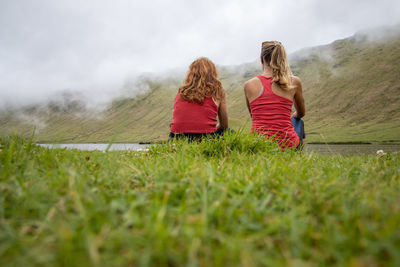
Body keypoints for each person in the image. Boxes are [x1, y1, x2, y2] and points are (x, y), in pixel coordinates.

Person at [244, 41, 305, 149]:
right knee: (298, 121)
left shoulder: (248, 85)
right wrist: (290, 117)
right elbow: (301, 113)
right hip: (288, 146)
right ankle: (299, 157)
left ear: (262, 60)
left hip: (258, 146)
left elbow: (254, 117)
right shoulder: (294, 81)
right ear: (282, 59)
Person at [170, 57, 229, 141]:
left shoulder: (181, 92)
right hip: (205, 138)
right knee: (229, 132)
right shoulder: (217, 91)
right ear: (213, 73)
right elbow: (224, 125)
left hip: (176, 138)